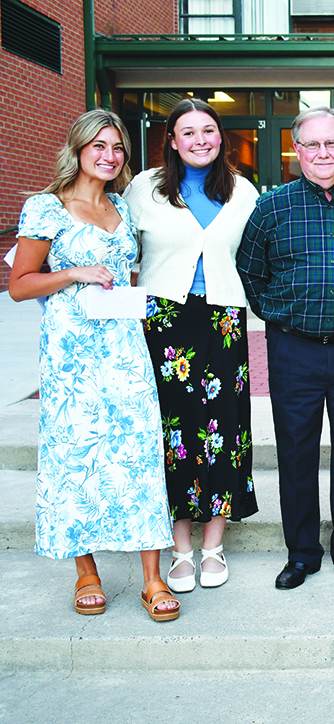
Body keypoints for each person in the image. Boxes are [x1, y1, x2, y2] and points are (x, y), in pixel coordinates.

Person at [9, 110, 179, 621]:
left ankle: (152, 578)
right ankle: (86, 571)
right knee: (74, 455)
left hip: (124, 346)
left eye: (118, 148)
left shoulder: (122, 209)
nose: (109, 157)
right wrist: (74, 273)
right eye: (99, 146)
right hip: (71, 355)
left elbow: (124, 273)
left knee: (138, 450)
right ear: (79, 150)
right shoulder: (46, 207)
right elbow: (19, 284)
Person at [237, 106, 334, 589]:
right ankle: (301, 553)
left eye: (332, 143)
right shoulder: (272, 207)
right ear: (297, 150)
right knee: (296, 454)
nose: (323, 153)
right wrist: (278, 315)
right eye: (312, 144)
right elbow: (250, 271)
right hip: (293, 350)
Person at [124, 98, 260, 594]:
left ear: (220, 137)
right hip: (164, 321)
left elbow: (256, 254)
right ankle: (181, 550)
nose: (199, 139)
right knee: (173, 432)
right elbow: (120, 249)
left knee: (224, 428)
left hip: (223, 317)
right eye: (188, 132)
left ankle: (213, 546)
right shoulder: (144, 190)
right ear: (173, 141)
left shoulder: (243, 191)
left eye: (208, 130)